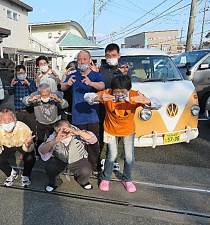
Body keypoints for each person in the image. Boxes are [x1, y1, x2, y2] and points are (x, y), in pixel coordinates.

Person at [84, 75, 162, 192]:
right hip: (110, 130)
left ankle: (127, 179)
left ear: (129, 89)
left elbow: (158, 104)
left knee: (130, 157)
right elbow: (87, 97)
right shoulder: (108, 94)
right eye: (117, 91)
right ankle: (105, 178)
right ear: (112, 89)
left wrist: (149, 101)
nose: (120, 94)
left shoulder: (135, 95)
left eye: (123, 91)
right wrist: (99, 98)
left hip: (128, 131)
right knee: (111, 155)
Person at [61, 50, 105, 175]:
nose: (81, 62)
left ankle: (94, 167)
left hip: (92, 115)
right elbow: (62, 87)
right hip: (77, 115)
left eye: (84, 59)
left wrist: (91, 83)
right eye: (79, 59)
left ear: (89, 60)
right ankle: (82, 166)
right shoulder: (74, 75)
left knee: (93, 142)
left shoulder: (96, 75)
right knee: (79, 143)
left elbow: (102, 86)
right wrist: (67, 83)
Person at [95, 43, 131, 172]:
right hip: (105, 107)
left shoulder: (124, 69)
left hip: (120, 108)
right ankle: (104, 159)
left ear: (119, 55)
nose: (111, 58)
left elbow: (127, 87)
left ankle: (115, 160)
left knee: (120, 135)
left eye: (114, 55)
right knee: (105, 134)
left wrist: (125, 75)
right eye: (108, 56)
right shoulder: (102, 69)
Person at [39, 119, 97, 192]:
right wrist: (54, 141)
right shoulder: (53, 136)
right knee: (49, 167)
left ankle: (82, 181)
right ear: (55, 132)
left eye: (65, 130)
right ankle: (55, 182)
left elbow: (93, 140)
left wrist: (78, 132)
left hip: (78, 160)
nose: (64, 133)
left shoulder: (78, 133)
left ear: (71, 128)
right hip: (60, 160)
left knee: (86, 170)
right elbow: (42, 150)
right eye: (60, 131)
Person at [0, 108, 36, 187]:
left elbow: (30, 148)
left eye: (10, 119)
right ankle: (11, 173)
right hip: (6, 146)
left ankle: (25, 175)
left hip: (21, 144)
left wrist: (28, 145)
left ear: (15, 119)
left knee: (30, 157)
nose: (7, 122)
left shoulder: (24, 128)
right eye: (3, 119)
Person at [23, 83, 68, 156]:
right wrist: (30, 100)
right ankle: (38, 154)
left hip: (53, 122)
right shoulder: (35, 95)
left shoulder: (54, 95)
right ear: (39, 92)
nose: (45, 96)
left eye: (47, 94)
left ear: (50, 92)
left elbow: (65, 105)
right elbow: (24, 100)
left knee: (53, 139)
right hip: (40, 122)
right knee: (40, 139)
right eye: (43, 95)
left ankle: (53, 153)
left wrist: (58, 100)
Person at [8, 65, 37, 135]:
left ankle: (34, 143)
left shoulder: (31, 81)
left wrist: (28, 84)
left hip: (29, 111)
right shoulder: (15, 82)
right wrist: (11, 85)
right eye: (19, 74)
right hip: (19, 111)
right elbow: (10, 92)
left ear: (25, 73)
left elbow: (35, 92)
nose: (21, 75)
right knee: (20, 130)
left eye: (22, 73)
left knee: (32, 130)